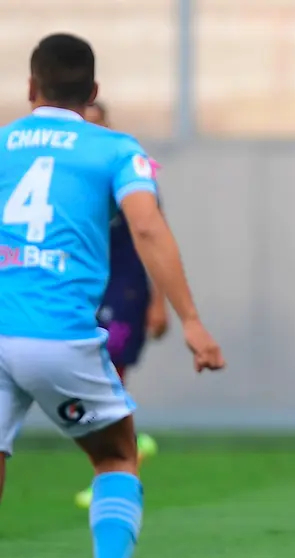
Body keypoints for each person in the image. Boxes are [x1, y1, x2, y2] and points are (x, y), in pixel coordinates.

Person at [0, 33, 224, 558]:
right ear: (93, 89)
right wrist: (192, 321)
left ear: (31, 87)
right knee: (117, 454)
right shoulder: (116, 149)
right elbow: (147, 225)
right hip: (60, 337)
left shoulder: (3, 143)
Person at [73, 101, 167, 510]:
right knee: (88, 372)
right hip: (87, 288)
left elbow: (154, 234)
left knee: (110, 370)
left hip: (126, 290)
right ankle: (128, 448)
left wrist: (160, 301)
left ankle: (116, 469)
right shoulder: (70, 172)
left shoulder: (130, 169)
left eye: (97, 122)